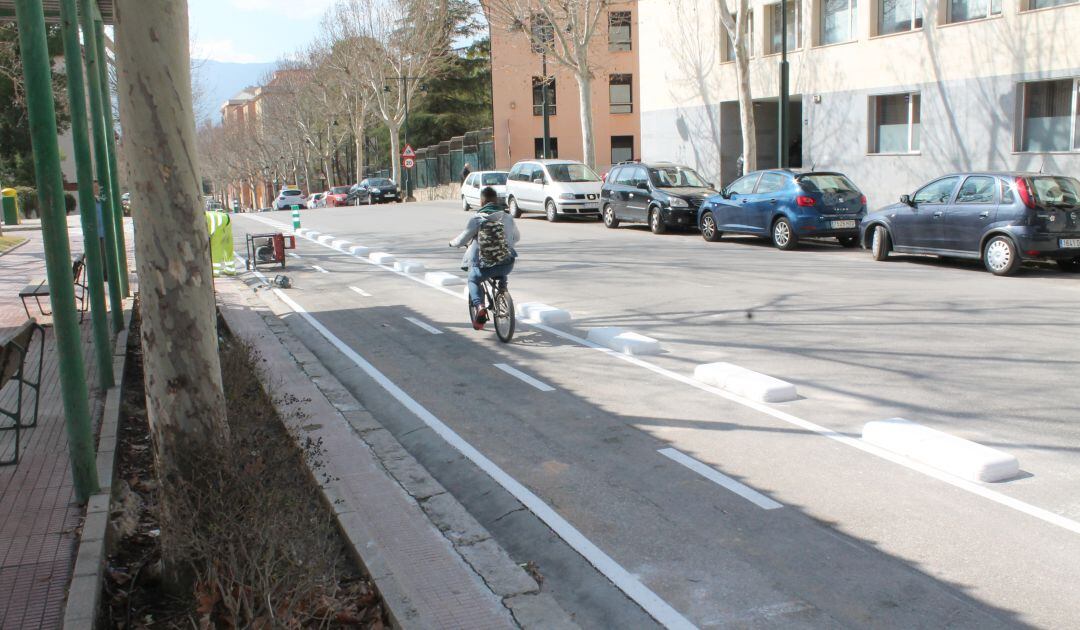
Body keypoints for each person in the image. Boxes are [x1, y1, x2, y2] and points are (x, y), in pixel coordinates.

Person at [450, 186, 519, 330]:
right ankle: (502, 291)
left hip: (485, 266)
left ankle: (480, 306)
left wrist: (452, 243)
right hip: (507, 264)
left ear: (482, 202)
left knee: (473, 279)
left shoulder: (477, 219)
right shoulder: (507, 217)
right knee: (502, 265)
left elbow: (463, 239)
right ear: (496, 200)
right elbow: (517, 237)